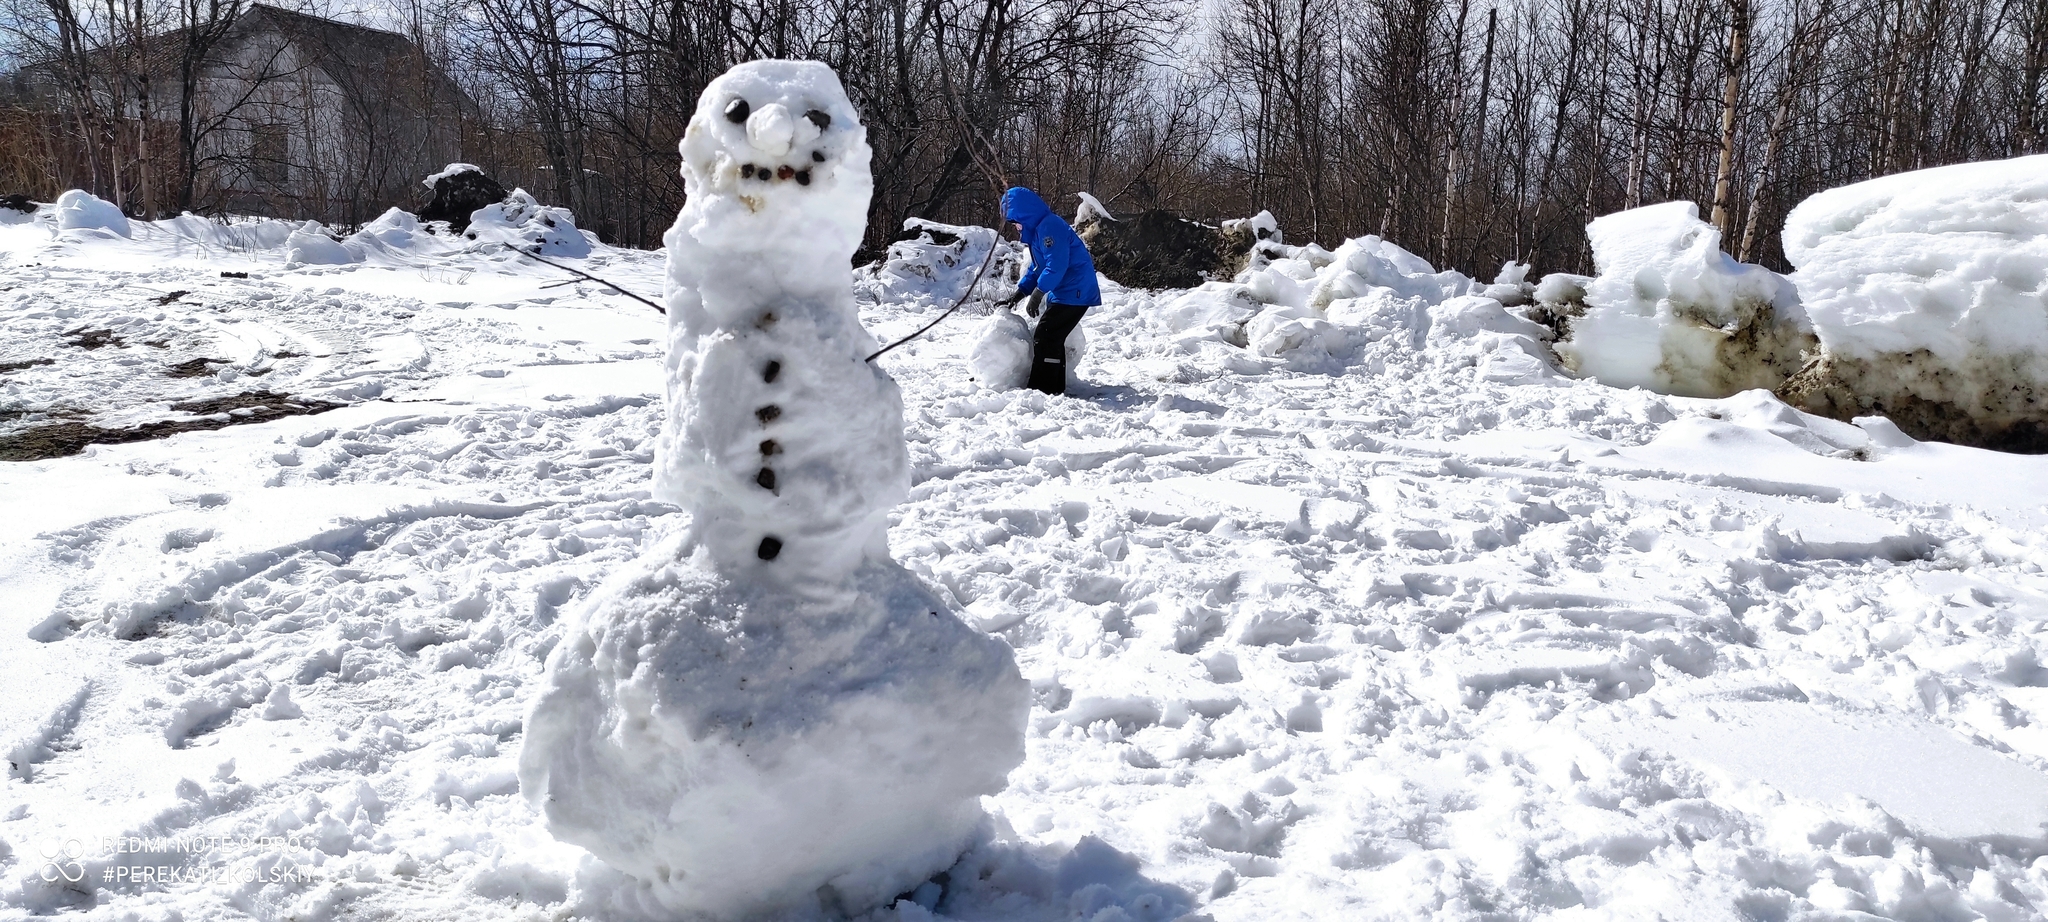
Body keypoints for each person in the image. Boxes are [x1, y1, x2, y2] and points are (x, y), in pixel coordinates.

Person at [1000, 187, 1100, 396]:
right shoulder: (1038, 232)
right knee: (1051, 337)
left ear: (1024, 215)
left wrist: (1038, 294)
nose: (1016, 228)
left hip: (1075, 290)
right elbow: (1039, 267)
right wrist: (1020, 292)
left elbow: (1057, 265)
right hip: (1065, 291)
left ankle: (1043, 389)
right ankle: (1053, 387)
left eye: (1015, 222)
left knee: (1046, 335)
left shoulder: (1049, 227)